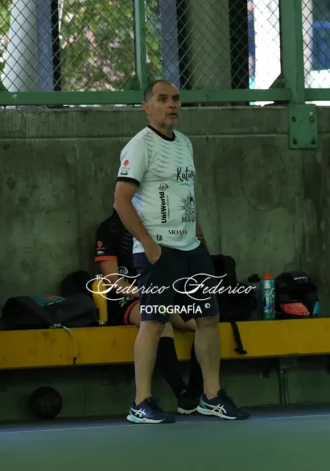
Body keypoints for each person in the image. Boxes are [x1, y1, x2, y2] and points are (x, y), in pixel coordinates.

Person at [113, 79, 249, 424]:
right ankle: (140, 402)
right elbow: (121, 202)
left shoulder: (185, 143)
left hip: (191, 248)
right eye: (162, 99)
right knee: (154, 322)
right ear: (146, 107)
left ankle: (211, 396)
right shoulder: (140, 146)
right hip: (159, 250)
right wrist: (149, 244)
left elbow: (184, 192)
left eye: (175, 98)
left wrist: (196, 230)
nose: (171, 104)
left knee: (209, 318)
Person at [94, 209, 204, 414]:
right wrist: (146, 293)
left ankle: (194, 394)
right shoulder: (110, 228)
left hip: (161, 293)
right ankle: (180, 392)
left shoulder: (159, 225)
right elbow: (113, 280)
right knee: (159, 322)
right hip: (127, 297)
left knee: (203, 324)